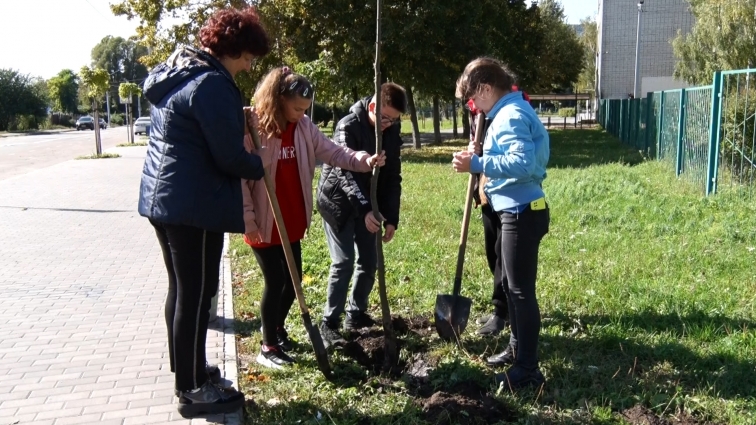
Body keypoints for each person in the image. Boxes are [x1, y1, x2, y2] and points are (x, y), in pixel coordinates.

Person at [138, 7, 270, 418]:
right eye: (248, 57)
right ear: (233, 48)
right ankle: (192, 389)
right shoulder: (212, 84)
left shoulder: (185, 72)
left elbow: (203, 130)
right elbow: (229, 155)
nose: (249, 66)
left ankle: (190, 369)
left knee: (183, 290)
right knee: (194, 295)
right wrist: (258, 163)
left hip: (170, 199)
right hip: (192, 204)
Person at [241, 67, 386, 369]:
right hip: (265, 221)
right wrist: (248, 220)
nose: (300, 114)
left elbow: (333, 152)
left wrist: (364, 160)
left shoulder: (305, 127)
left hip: (291, 218)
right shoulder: (256, 128)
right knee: (277, 279)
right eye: (296, 108)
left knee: (293, 284)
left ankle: (278, 330)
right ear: (278, 99)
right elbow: (241, 181)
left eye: (305, 109)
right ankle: (267, 346)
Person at [452, 57, 550, 390]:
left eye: (474, 97)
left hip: (522, 211)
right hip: (517, 208)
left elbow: (522, 163)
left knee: (520, 292)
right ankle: (516, 348)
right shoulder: (507, 112)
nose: (474, 105)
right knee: (510, 287)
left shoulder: (510, 114)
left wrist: (477, 162)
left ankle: (528, 369)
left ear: (485, 88)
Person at [314, 83, 407, 348]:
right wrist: (365, 209)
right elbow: (345, 173)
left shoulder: (390, 130)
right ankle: (329, 322)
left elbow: (392, 176)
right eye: (386, 118)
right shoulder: (347, 126)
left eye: (395, 120)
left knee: (369, 260)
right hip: (339, 204)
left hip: (369, 203)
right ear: (373, 108)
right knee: (343, 262)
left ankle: (355, 314)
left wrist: (390, 218)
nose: (389, 124)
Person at [469, 84, 530, 336]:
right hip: (488, 188)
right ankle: (503, 307)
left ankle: (502, 311)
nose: (470, 104)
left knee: (505, 257)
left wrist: (479, 157)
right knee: (492, 250)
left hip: (509, 192)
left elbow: (516, 156)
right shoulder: (476, 108)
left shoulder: (511, 106)